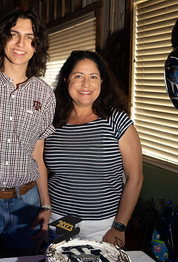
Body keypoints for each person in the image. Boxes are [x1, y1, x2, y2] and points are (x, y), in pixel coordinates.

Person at [0, 8, 55, 259]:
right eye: (14, 34)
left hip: (27, 204)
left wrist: (46, 205)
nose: (20, 44)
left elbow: (38, 154)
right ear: (2, 39)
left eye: (29, 37)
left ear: (37, 46)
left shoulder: (45, 95)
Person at [44, 50, 143, 247]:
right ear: (65, 80)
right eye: (78, 76)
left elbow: (136, 178)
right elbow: (41, 170)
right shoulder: (52, 122)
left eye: (93, 77)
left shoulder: (117, 120)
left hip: (103, 226)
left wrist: (119, 227)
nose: (86, 84)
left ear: (102, 82)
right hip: (61, 221)